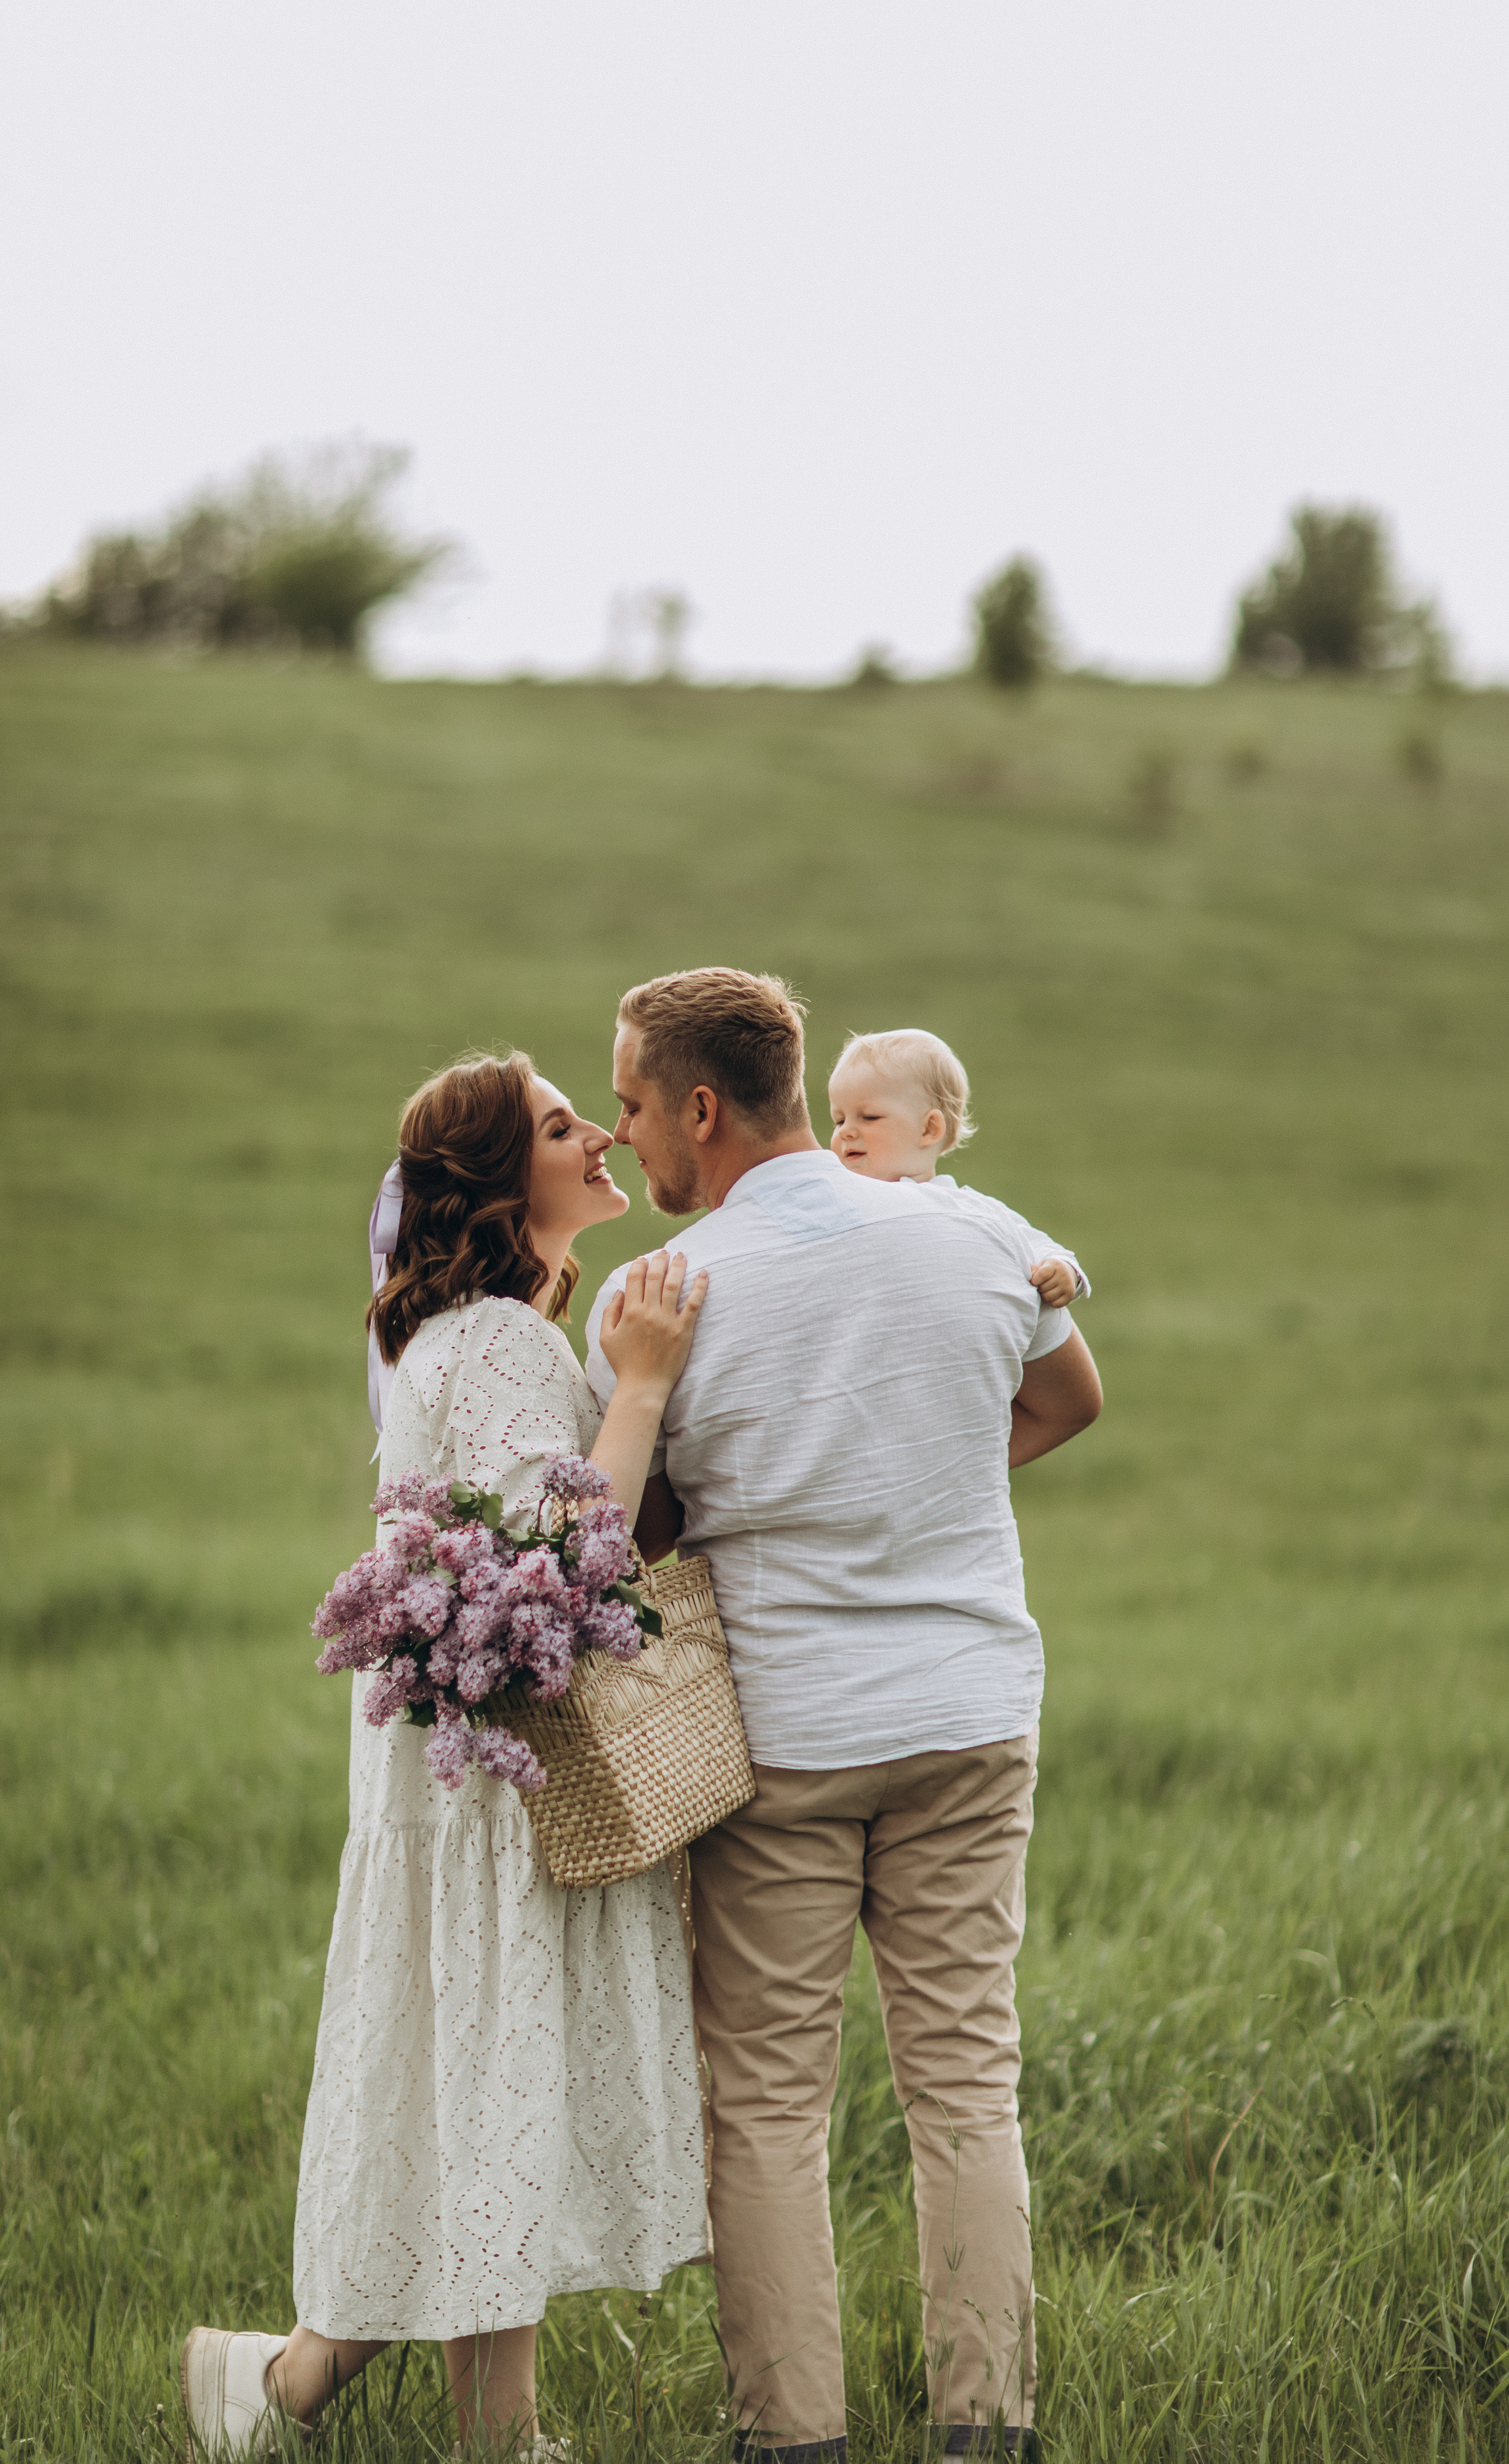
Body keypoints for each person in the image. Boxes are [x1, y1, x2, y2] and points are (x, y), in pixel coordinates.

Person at [585, 971, 1102, 2464]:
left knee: (761, 2098)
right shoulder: (969, 1231)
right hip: (968, 1710)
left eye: (630, 1101)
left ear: (699, 1105)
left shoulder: (661, 1294)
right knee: (964, 2077)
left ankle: (791, 2438)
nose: (626, 1135)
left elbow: (635, 1526)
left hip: (792, 1742)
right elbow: (1069, 1399)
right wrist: (921, 1491)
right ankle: (984, 2426)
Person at [182, 1051, 712, 2459]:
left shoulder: (465, 1337)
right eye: (557, 1125)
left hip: (460, 1766)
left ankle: (317, 2397)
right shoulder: (493, 1341)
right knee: (494, 2068)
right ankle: (442, 2423)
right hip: (491, 1782)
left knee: (485, 2077)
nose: (596, 1133)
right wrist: (646, 1379)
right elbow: (571, 1548)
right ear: (495, 1184)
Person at [827, 1026, 1091, 1310]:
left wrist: (1062, 1271)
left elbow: (1041, 1248)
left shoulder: (970, 1210)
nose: (846, 1132)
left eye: (869, 1117)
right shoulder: (835, 1202)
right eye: (839, 1120)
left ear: (929, 1129)